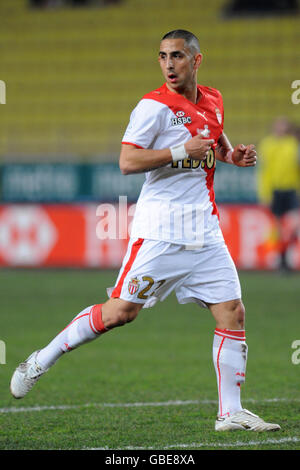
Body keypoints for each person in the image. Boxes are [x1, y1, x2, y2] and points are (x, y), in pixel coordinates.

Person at [10, 29, 280, 432]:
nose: (169, 64)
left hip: (204, 231)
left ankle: (230, 412)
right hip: (161, 230)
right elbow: (126, 162)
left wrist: (232, 155)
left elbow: (214, 140)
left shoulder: (214, 99)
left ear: (196, 60)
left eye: (178, 56)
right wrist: (177, 151)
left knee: (232, 310)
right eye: (163, 56)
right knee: (122, 312)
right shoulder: (152, 107)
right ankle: (41, 359)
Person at [258, 117, 300, 271]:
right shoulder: (267, 144)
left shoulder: (293, 143)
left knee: (293, 223)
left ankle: (286, 254)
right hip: (275, 190)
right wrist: (265, 193)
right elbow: (264, 171)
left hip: (292, 189)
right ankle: (282, 259)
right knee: (278, 227)